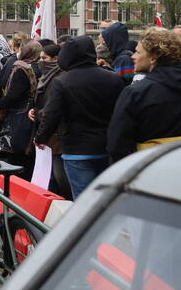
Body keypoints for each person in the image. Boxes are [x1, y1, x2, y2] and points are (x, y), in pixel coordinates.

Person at [34, 36, 125, 199]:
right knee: (105, 198)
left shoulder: (62, 82)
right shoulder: (114, 78)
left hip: (77, 148)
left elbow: (52, 115)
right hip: (107, 146)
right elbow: (121, 113)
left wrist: (40, 137)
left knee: (83, 199)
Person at [107, 28, 181, 160]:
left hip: (150, 170)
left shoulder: (137, 93)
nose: (133, 56)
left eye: (138, 52)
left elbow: (117, 144)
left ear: (153, 57)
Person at [28, 43, 71, 199]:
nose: (40, 62)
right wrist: (35, 111)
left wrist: (40, 132)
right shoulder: (47, 76)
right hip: (49, 135)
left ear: (56, 59)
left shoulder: (59, 78)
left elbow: (54, 110)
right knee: (50, 178)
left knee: (61, 180)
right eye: (39, 58)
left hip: (56, 137)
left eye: (44, 58)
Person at [0, 40, 42, 176]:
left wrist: (0, 104)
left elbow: (14, 94)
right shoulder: (39, 67)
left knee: (16, 155)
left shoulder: (22, 69)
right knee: (28, 156)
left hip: (19, 114)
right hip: (32, 112)